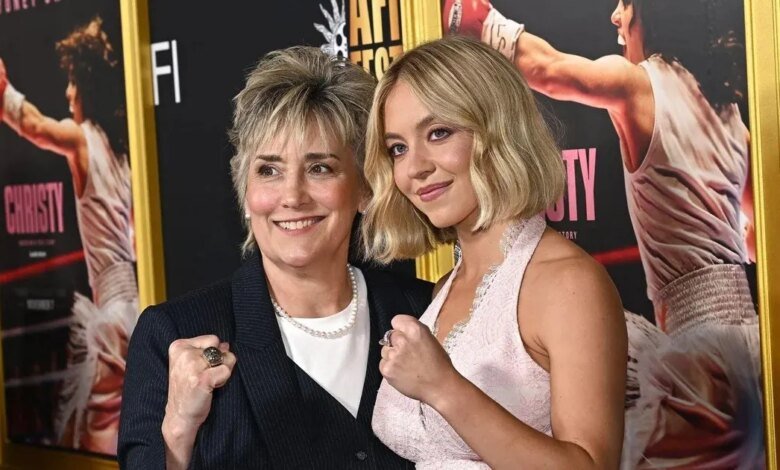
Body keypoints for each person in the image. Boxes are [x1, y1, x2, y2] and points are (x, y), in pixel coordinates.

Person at [445, 1, 764, 467]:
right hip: (750, 346)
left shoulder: (638, 82)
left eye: (624, 4)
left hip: (699, 353)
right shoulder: (729, 114)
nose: (615, 16)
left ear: (649, 13)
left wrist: (476, 19)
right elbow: (755, 240)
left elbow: (546, 68)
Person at [117, 46, 432, 469]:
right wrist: (178, 427)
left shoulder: (424, 311)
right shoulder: (176, 333)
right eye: (269, 170)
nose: (292, 196)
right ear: (246, 193)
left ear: (364, 189)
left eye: (320, 168)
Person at [361, 36, 628, 469]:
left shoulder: (568, 284)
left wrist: (444, 387)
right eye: (398, 148)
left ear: (497, 128)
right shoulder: (445, 288)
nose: (415, 167)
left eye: (439, 133)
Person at [0, 17, 135, 454]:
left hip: (114, 315)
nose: (67, 93)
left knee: (95, 435)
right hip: (139, 307)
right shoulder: (125, 152)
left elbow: (34, 124)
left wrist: (3, 90)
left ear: (87, 87)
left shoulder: (83, 140)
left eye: (73, 82)